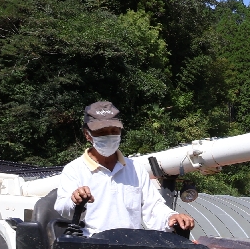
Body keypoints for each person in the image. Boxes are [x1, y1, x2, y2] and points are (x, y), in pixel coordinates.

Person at [54, 101, 195, 236]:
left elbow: (153, 207)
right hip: (90, 247)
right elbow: (62, 209)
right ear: (87, 134)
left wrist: (171, 217)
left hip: (130, 247)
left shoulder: (136, 169)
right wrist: (74, 200)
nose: (109, 136)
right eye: (102, 132)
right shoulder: (74, 170)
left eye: (114, 130)